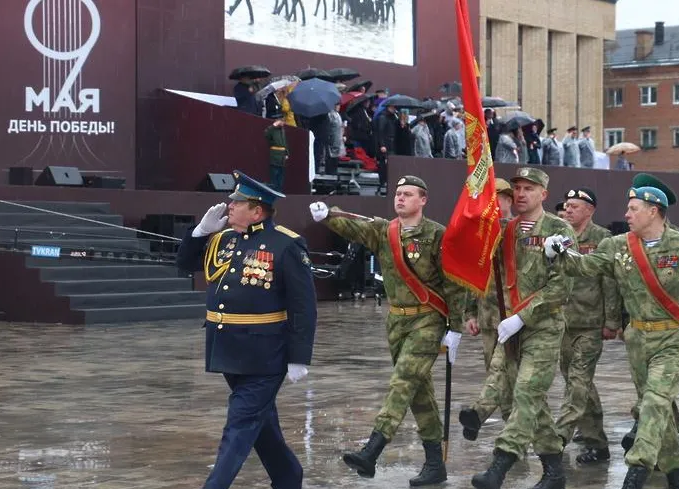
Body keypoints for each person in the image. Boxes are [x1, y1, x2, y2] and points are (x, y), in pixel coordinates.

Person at [545, 173, 679, 489]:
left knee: (652, 404)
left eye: (633, 208)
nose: (626, 214)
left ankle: (636, 472)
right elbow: (584, 267)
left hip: (673, 338)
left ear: (653, 210)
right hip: (638, 339)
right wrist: (559, 253)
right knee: (659, 414)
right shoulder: (616, 245)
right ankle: (677, 477)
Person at [310, 176, 466, 486]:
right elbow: (354, 227)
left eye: (408, 194)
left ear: (423, 200)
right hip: (397, 321)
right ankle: (435, 464)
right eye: (398, 194)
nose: (401, 199)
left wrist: (455, 328)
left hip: (428, 319)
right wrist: (328, 215)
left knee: (403, 381)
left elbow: (454, 283)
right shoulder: (385, 230)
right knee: (419, 393)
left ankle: (373, 449)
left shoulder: (436, 235)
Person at [176, 170, 316, 489]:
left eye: (237, 202)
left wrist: (299, 356)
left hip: (266, 355)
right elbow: (184, 264)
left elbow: (303, 306)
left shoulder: (286, 244)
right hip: (227, 349)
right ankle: (288, 477)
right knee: (260, 422)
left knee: (239, 425)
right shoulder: (224, 239)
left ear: (257, 210)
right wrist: (199, 232)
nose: (229, 206)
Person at [471, 167, 575, 489]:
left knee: (526, 393)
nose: (520, 194)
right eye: (516, 188)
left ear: (543, 194)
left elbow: (561, 287)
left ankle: (499, 467)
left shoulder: (560, 229)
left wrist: (522, 316)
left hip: (543, 328)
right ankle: (555, 472)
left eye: (529, 188)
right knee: (534, 402)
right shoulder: (506, 231)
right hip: (511, 328)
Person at [554, 187, 621, 464]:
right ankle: (595, 438)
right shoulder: (558, 237)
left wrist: (612, 320)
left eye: (575, 206)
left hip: (590, 323)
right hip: (562, 321)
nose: (568, 210)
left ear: (590, 211)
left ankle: (559, 438)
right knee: (578, 382)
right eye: (567, 206)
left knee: (579, 381)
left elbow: (610, 282)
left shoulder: (602, 239)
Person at [458, 178, 516, 440]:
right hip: (487, 317)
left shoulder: (517, 230)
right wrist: (470, 313)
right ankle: (511, 430)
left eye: (497, 199)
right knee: (499, 378)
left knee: (502, 373)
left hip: (513, 317)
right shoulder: (480, 234)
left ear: (508, 201)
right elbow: (474, 277)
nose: (491, 205)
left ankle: (479, 414)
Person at [264, 117, 288, 191]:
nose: (283, 123)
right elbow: (266, 134)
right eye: (282, 121)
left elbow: (284, 143)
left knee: (280, 177)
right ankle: (273, 191)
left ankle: (279, 191)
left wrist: (286, 153)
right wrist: (273, 126)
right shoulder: (272, 130)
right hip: (275, 155)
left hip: (282, 157)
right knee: (274, 175)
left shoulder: (282, 130)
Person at [325, 104, 344, 175]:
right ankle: (330, 172)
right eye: (337, 105)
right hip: (332, 139)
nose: (339, 107)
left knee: (336, 158)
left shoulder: (338, 115)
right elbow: (329, 127)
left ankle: (334, 171)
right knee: (330, 157)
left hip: (338, 139)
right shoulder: (330, 115)